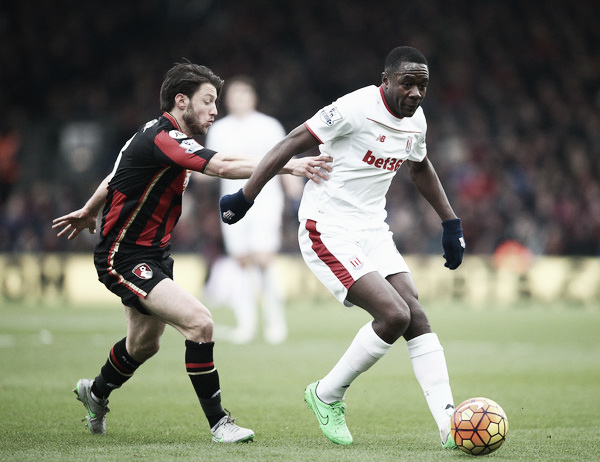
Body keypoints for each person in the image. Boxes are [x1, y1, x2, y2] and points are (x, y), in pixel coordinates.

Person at [52, 62, 331, 443]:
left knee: (143, 344)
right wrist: (288, 164)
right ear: (181, 101)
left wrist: (88, 209)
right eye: (208, 101)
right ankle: (220, 424)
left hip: (154, 254)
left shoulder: (157, 136)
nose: (214, 110)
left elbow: (113, 176)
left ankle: (96, 392)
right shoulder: (163, 137)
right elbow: (221, 165)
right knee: (200, 323)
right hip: (124, 256)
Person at [220, 46, 466, 448]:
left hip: (372, 228)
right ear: (385, 80)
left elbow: (420, 167)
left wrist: (450, 222)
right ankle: (326, 394)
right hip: (327, 227)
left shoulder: (415, 120)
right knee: (393, 315)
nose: (417, 92)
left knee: (414, 312)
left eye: (423, 84)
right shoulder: (353, 108)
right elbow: (293, 142)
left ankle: (448, 425)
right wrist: (246, 196)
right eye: (408, 83)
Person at [205, 76, 300, 345]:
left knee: (263, 259)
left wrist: (295, 194)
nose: (239, 100)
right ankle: (246, 325)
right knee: (242, 262)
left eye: (244, 95)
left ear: (253, 98)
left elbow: (285, 159)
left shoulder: (268, 126)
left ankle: (275, 323)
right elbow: (210, 165)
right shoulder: (219, 129)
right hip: (231, 202)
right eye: (234, 96)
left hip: (266, 201)